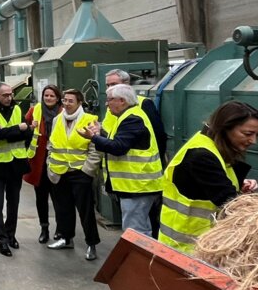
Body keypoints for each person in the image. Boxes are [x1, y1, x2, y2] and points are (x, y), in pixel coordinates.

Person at [159, 101, 258, 253]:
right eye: (247, 134)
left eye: (257, 134)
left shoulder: (208, 143)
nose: (253, 141)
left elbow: (210, 185)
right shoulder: (202, 156)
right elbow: (231, 203)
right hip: (189, 248)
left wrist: (238, 184)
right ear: (224, 128)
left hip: (198, 244)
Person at [79, 84, 163, 237]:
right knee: (137, 227)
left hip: (138, 186)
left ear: (122, 101)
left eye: (110, 99)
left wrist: (93, 138)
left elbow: (118, 147)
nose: (106, 103)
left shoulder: (132, 119)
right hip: (134, 185)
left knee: (136, 231)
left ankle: (140, 260)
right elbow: (120, 142)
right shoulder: (126, 116)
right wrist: (101, 134)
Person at [103, 68, 168, 237]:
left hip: (139, 180)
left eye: (114, 85)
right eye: (107, 85)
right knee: (132, 222)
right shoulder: (114, 108)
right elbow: (114, 136)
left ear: (126, 86)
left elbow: (157, 138)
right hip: (122, 177)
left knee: (140, 226)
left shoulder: (141, 105)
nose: (109, 90)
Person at [0, 82, 36, 257]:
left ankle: (11, 235)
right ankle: (1, 239)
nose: (9, 97)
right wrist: (18, 129)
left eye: (10, 94)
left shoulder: (17, 110)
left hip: (16, 164)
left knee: (14, 203)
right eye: (5, 95)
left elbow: (28, 133)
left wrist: (12, 132)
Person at [46, 89, 102, 261]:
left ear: (79, 103)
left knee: (85, 211)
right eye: (65, 100)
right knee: (62, 209)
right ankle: (66, 238)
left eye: (71, 101)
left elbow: (96, 149)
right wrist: (50, 164)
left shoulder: (89, 120)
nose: (67, 104)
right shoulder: (57, 119)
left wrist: (87, 170)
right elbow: (52, 143)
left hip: (80, 173)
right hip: (59, 172)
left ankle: (91, 244)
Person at [24, 84, 62, 244]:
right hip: (38, 161)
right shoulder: (35, 110)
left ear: (58, 98)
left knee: (59, 197)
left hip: (58, 160)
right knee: (41, 196)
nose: (48, 98)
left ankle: (61, 229)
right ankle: (44, 228)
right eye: (46, 95)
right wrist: (29, 128)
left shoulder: (64, 111)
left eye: (52, 96)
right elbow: (24, 128)